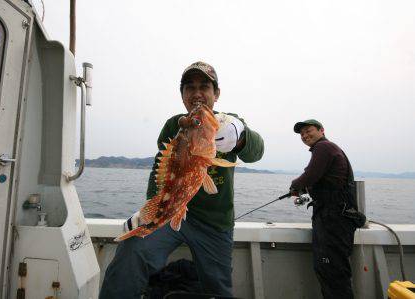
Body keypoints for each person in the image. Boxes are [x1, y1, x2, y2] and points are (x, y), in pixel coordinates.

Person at [99, 61, 264, 298]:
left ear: (216, 94)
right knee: (133, 248)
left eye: (204, 86)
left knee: (218, 288)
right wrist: (148, 210)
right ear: (182, 95)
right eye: (189, 87)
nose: (197, 93)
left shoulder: (229, 122)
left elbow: (256, 152)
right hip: (172, 214)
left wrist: (241, 137)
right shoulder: (174, 125)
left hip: (215, 224)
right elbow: (162, 169)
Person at [290, 119, 365, 299]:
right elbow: (324, 179)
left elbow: (310, 176)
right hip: (333, 218)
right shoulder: (327, 149)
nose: (305, 135)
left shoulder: (324, 148)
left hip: (334, 220)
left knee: (333, 273)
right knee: (331, 270)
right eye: (302, 134)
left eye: (309, 131)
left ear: (322, 130)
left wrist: (295, 186)